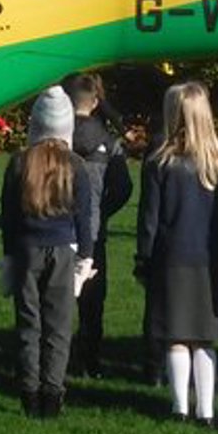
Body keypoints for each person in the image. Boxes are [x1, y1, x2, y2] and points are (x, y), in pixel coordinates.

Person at [137, 82, 218, 427]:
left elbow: (150, 219)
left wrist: (143, 259)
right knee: (204, 337)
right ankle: (206, 410)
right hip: (211, 260)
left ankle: (179, 407)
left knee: (176, 336)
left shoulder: (160, 162)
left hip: (171, 257)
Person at [2, 87, 94, 417]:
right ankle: (53, 393)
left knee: (29, 324)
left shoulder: (20, 163)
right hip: (62, 250)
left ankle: (28, 390)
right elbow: (85, 216)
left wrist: (9, 255)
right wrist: (86, 257)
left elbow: (8, 215)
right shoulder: (75, 165)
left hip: (27, 250)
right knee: (58, 327)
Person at [67, 74, 133, 378]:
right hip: (93, 230)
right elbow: (123, 188)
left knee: (57, 298)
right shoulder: (109, 142)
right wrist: (102, 212)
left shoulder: (58, 136)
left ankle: (58, 357)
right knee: (93, 303)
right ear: (95, 103)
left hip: (60, 227)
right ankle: (90, 359)